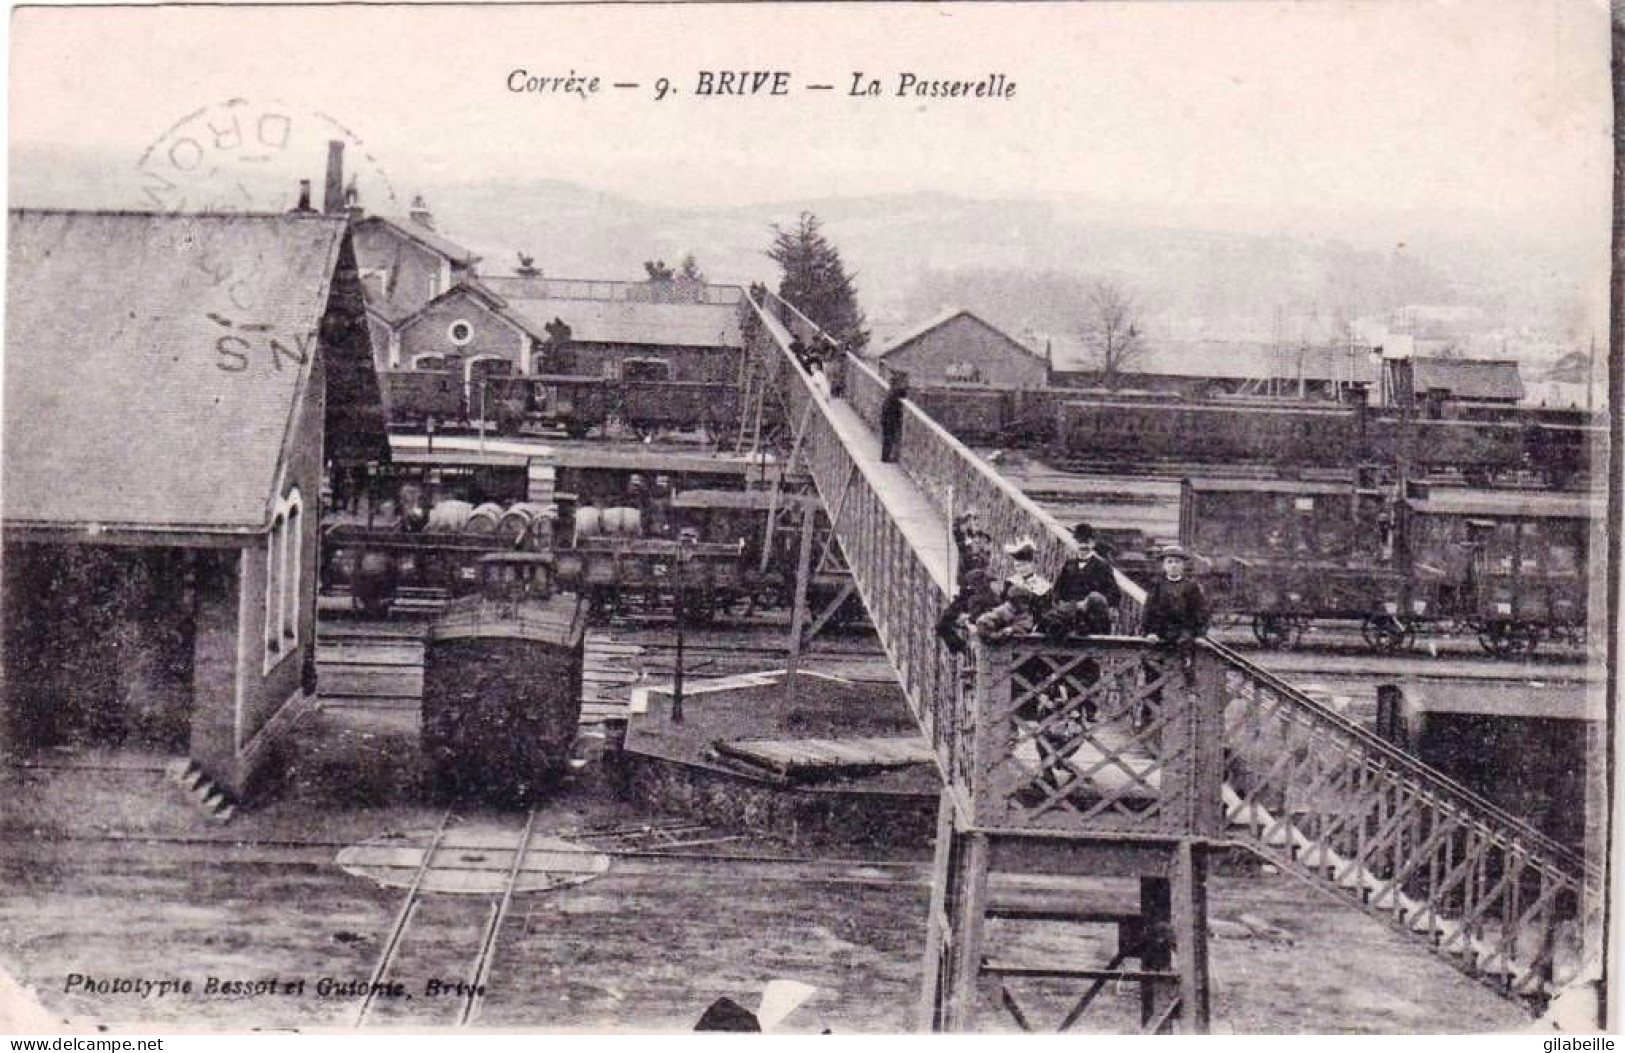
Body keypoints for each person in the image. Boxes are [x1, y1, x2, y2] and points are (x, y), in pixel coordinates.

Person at [1140, 543, 1209, 688]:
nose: (1173, 565)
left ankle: (1186, 683)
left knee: (1185, 657)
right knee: (1152, 669)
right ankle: (1151, 703)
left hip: (1182, 632)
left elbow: (1200, 612)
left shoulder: (1191, 586)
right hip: (1160, 632)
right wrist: (1150, 632)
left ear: (1183, 565)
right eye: (1169, 562)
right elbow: (1148, 611)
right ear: (1164, 565)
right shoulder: (1157, 585)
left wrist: (1200, 634)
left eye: (1177, 562)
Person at [1046, 522, 1123, 638]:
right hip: (1069, 613)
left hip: (1091, 617)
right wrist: (1062, 603)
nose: (1082, 546)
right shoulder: (1069, 565)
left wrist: (1092, 603)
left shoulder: (1102, 566)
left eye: (1086, 542)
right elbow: (1058, 589)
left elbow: (1114, 594)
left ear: (1092, 543)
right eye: (1079, 542)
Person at [880, 372, 908, 463]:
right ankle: (885, 457)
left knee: (887, 438)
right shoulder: (894, 393)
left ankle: (886, 457)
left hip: (887, 418)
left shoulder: (891, 392)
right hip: (889, 419)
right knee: (889, 438)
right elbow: (902, 393)